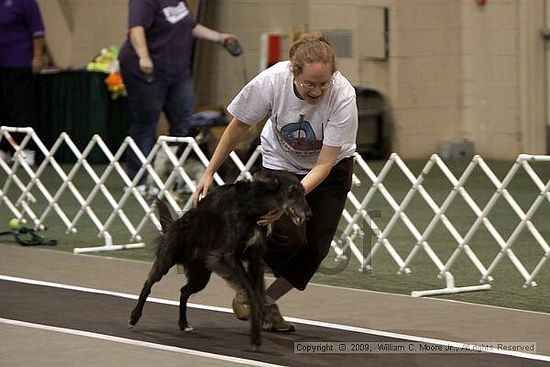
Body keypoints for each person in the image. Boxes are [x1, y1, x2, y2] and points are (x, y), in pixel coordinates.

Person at [194, 32, 358, 332]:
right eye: (310, 84)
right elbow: (238, 126)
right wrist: (209, 171)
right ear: (293, 72)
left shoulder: (343, 96)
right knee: (289, 236)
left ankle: (262, 300)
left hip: (330, 170)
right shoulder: (272, 81)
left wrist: (291, 200)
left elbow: (324, 163)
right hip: (280, 165)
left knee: (316, 247)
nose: (317, 91)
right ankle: (248, 276)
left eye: (324, 84)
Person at [118, 0, 238, 192]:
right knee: (146, 122)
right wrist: (143, 56)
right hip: (146, 69)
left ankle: (172, 176)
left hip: (177, 71)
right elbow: (136, 28)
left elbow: (190, 26)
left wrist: (220, 38)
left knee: (183, 123)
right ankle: (139, 180)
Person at [0, 0, 45, 129]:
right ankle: (5, 146)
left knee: (21, 107)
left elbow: (38, 32)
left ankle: (27, 146)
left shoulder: (27, 2)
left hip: (19, 63)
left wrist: (37, 56)